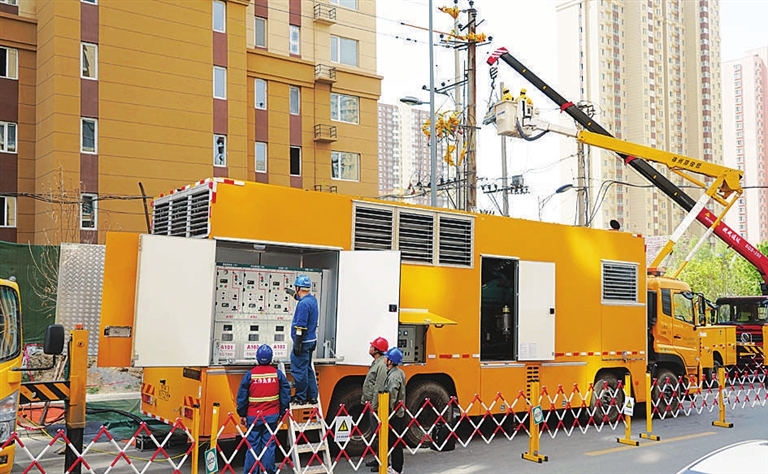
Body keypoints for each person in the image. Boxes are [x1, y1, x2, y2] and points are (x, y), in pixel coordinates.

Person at [236, 345, 291, 474]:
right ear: (271, 358)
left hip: (253, 417)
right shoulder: (277, 374)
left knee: (252, 445)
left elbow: (242, 396)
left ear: (257, 358)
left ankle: (251, 471)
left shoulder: (250, 375)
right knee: (268, 445)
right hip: (271, 416)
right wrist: (283, 411)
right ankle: (268, 471)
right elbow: (285, 394)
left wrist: (242, 414)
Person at [290, 274, 319, 405]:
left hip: (303, 342)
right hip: (311, 341)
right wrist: (291, 294)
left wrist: (297, 343)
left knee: (299, 370)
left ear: (298, 288)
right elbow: (300, 297)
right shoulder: (312, 300)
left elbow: (300, 326)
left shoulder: (303, 304)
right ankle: (312, 396)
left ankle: (301, 397)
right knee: (307, 369)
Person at [362, 337, 390, 470]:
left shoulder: (381, 365)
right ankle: (378, 459)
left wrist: (374, 407)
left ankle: (383, 462)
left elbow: (379, 386)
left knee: (379, 434)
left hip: (376, 406)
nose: (370, 348)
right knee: (375, 434)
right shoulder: (376, 363)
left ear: (377, 350)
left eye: (372, 346)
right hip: (371, 404)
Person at [384, 347, 406, 474]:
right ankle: (396, 467)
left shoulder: (393, 377)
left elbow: (392, 395)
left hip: (394, 414)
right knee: (396, 441)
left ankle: (396, 469)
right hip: (399, 412)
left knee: (394, 442)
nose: (385, 359)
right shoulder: (400, 373)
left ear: (390, 361)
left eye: (387, 358)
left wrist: (388, 412)